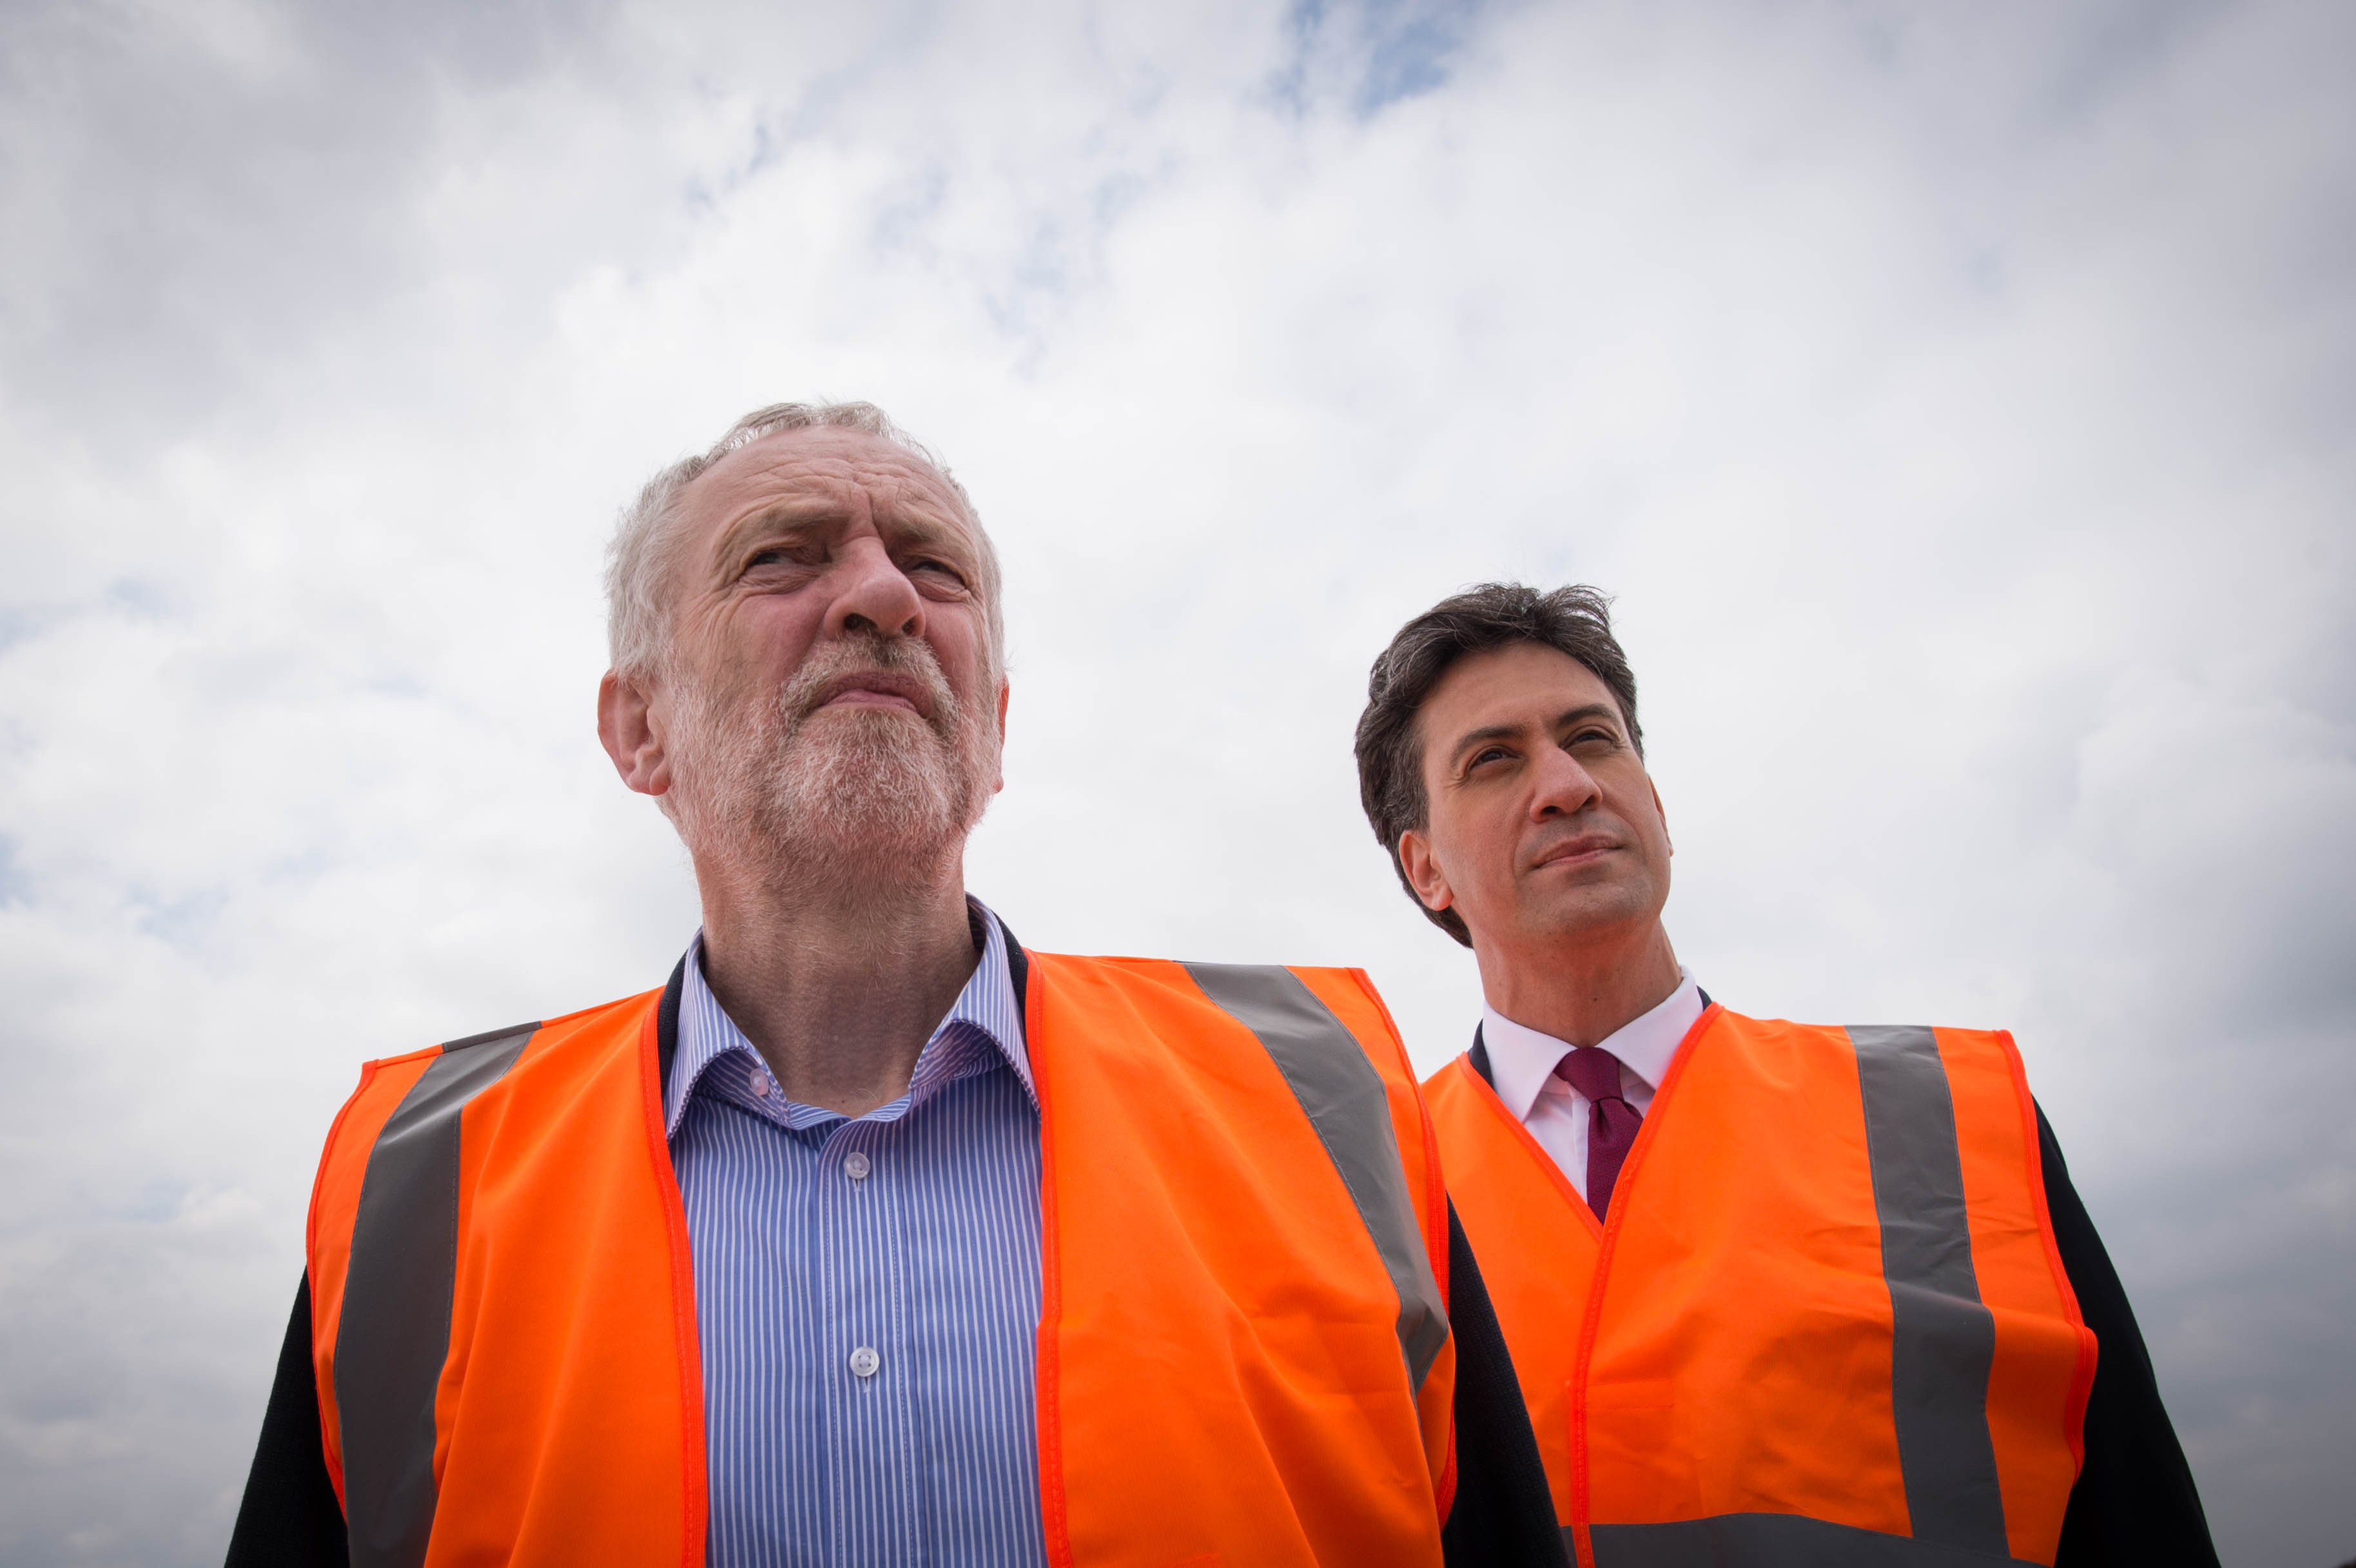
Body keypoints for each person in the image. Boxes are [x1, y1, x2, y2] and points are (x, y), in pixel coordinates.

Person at [226, 405, 1562, 1566]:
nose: (884, 597)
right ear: (640, 728)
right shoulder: (423, 1180)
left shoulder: (1323, 1098)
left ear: (993, 724)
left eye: (934, 566)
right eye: (782, 558)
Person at [1352, 582, 2219, 1568]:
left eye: (1593, 738)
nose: (1567, 784)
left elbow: (2138, 1511)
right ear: (1425, 868)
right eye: (1494, 758)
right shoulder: (1368, 1194)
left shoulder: (1953, 1113)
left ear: (1658, 805)